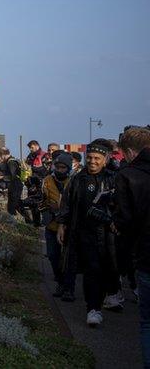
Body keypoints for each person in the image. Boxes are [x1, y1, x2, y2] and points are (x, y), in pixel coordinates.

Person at [58, 139, 121, 328]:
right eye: (90, 157)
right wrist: (62, 224)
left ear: (105, 159)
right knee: (91, 271)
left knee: (107, 271)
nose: (93, 161)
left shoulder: (113, 178)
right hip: (82, 233)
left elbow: (120, 205)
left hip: (107, 234)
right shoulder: (78, 178)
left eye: (97, 158)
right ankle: (93, 309)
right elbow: (67, 203)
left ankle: (107, 298)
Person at [114, 127, 150, 366]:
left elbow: (124, 222)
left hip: (147, 256)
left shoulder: (128, 175)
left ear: (128, 151)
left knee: (148, 322)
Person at [43, 152, 75, 301]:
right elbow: (42, 201)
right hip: (52, 224)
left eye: (63, 167)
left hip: (69, 225)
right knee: (52, 255)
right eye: (58, 167)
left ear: (68, 168)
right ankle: (60, 281)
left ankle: (68, 288)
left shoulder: (74, 181)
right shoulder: (47, 180)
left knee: (69, 259)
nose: (60, 170)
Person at [0, 147, 25, 217]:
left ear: (3, 155)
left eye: (1, 156)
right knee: (15, 205)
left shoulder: (11, 162)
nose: (1, 158)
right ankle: (26, 219)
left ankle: (27, 220)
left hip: (15, 186)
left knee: (12, 206)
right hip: (15, 185)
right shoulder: (12, 160)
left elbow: (12, 176)